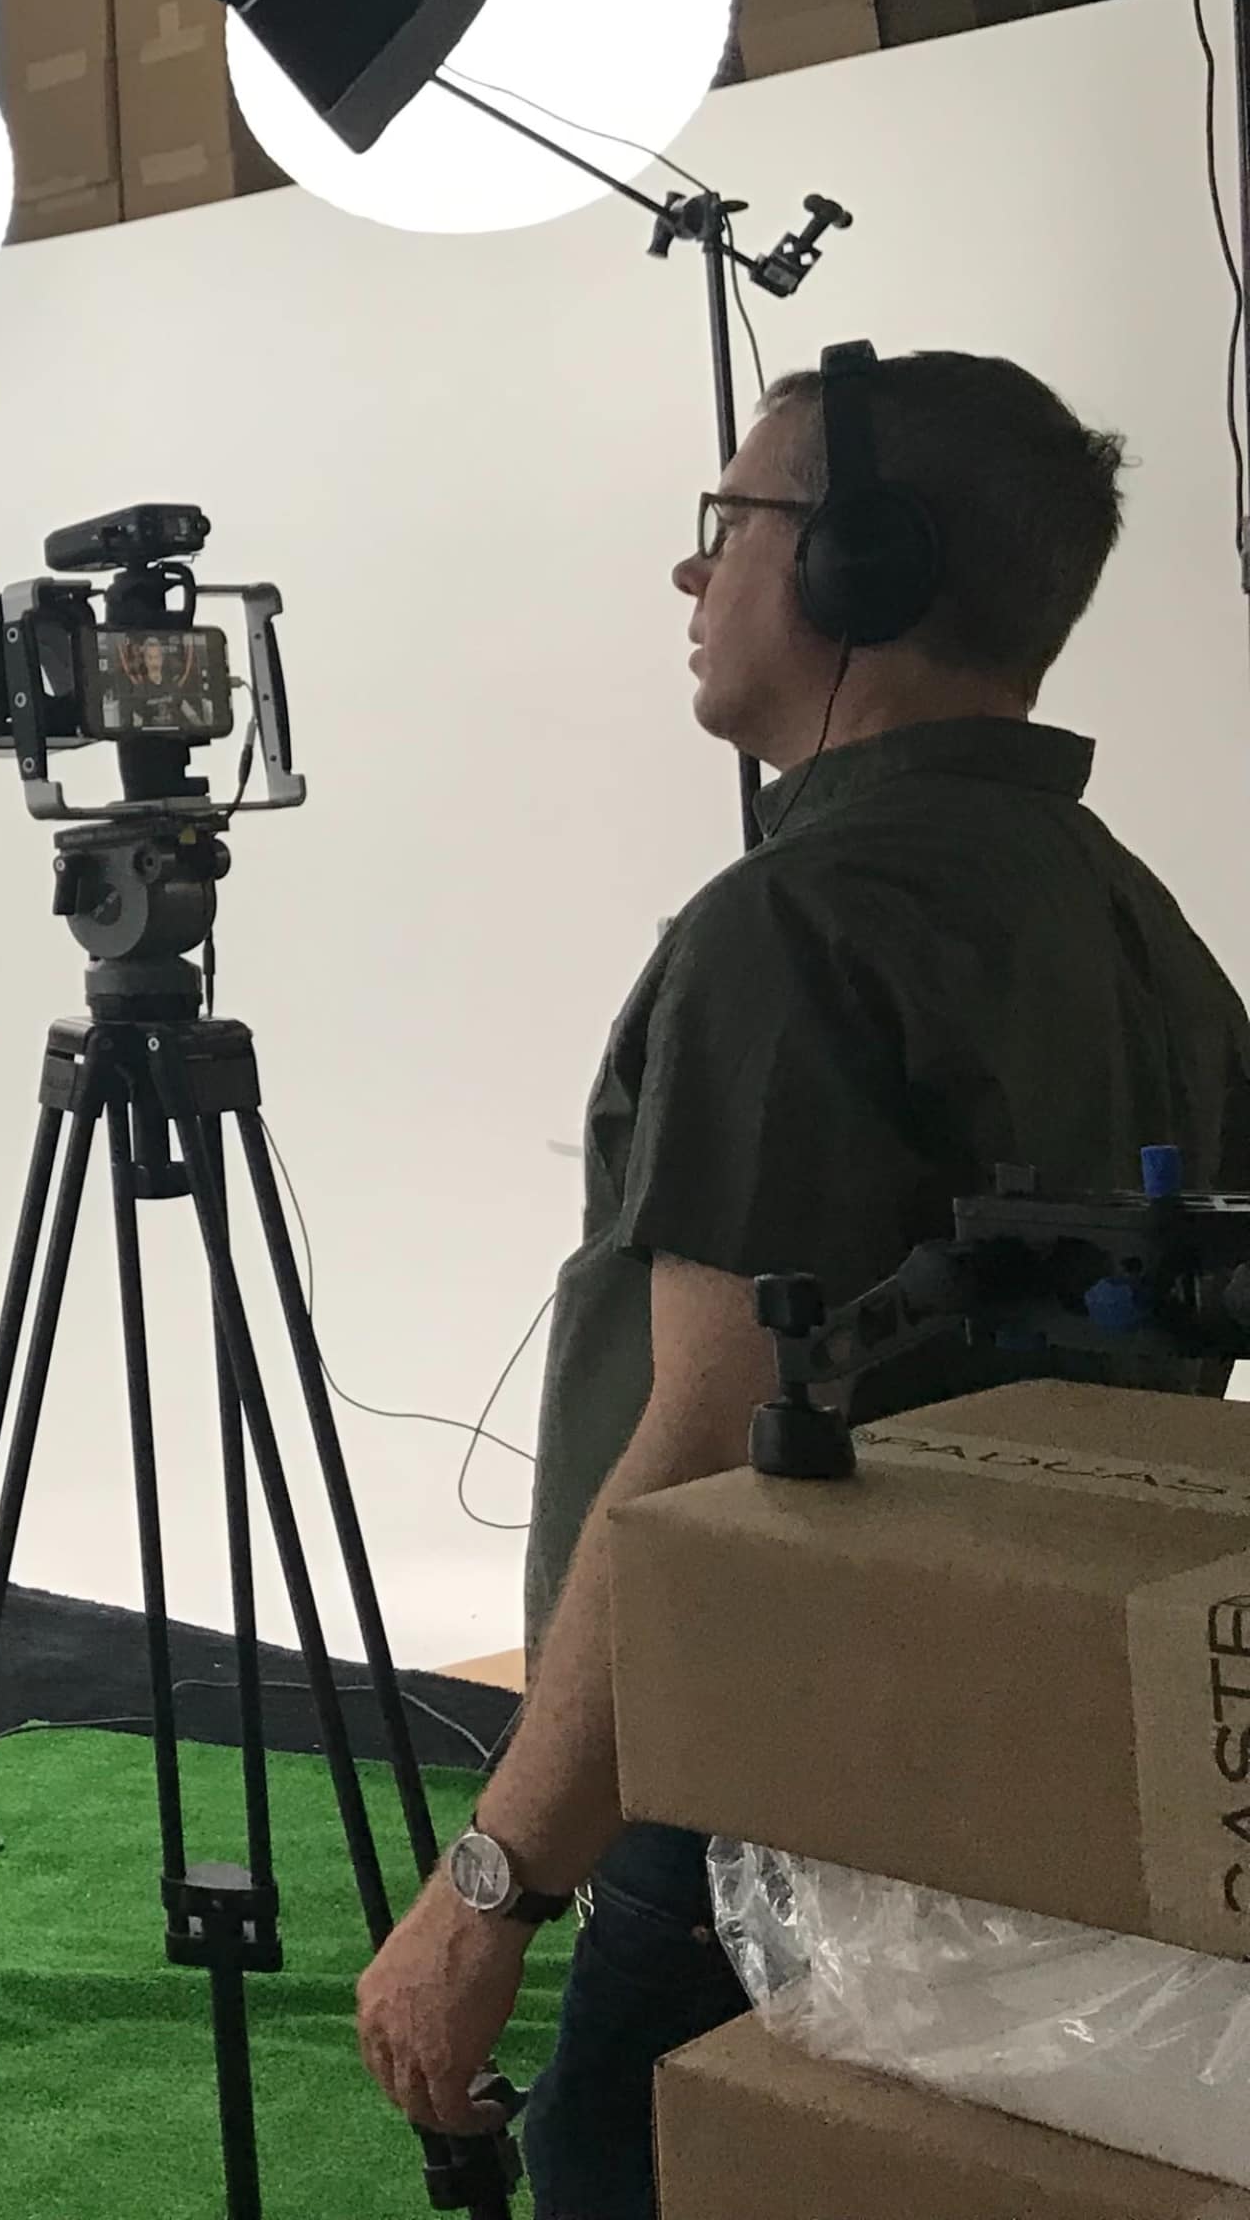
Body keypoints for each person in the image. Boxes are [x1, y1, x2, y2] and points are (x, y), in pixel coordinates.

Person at [352, 349, 1249, 2219]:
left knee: (624, 2157)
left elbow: (702, 1432)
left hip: (770, 1768)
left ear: (861, 565)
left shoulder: (789, 928)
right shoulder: (1142, 923)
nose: (694, 579)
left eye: (729, 525)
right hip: (1039, 1760)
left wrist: (491, 1885)